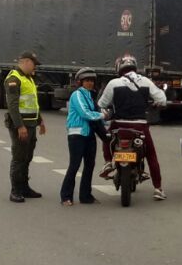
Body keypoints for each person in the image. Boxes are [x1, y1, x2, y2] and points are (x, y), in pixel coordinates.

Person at [98, 55, 169, 200]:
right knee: (151, 155)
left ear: (119, 68)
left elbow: (101, 104)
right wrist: (156, 103)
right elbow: (162, 99)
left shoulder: (113, 83)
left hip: (119, 125)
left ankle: (107, 163)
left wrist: (107, 112)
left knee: (106, 138)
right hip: (140, 126)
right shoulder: (146, 81)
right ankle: (158, 189)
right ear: (135, 67)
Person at [5, 51, 47, 203]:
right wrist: (19, 126)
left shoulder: (28, 78)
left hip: (31, 124)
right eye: (34, 64)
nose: (35, 67)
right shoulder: (14, 78)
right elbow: (13, 105)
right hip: (20, 126)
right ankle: (15, 190)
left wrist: (40, 121)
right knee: (19, 157)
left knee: (27, 157)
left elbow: (33, 103)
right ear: (26, 62)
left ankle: (24, 187)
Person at [60, 68, 104, 206]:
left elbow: (97, 113)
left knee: (90, 165)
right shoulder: (77, 95)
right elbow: (85, 113)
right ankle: (66, 196)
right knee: (74, 165)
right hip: (77, 135)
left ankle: (86, 196)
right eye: (87, 80)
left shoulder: (91, 96)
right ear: (80, 82)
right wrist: (103, 115)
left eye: (92, 80)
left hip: (89, 134)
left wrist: (107, 119)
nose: (90, 83)